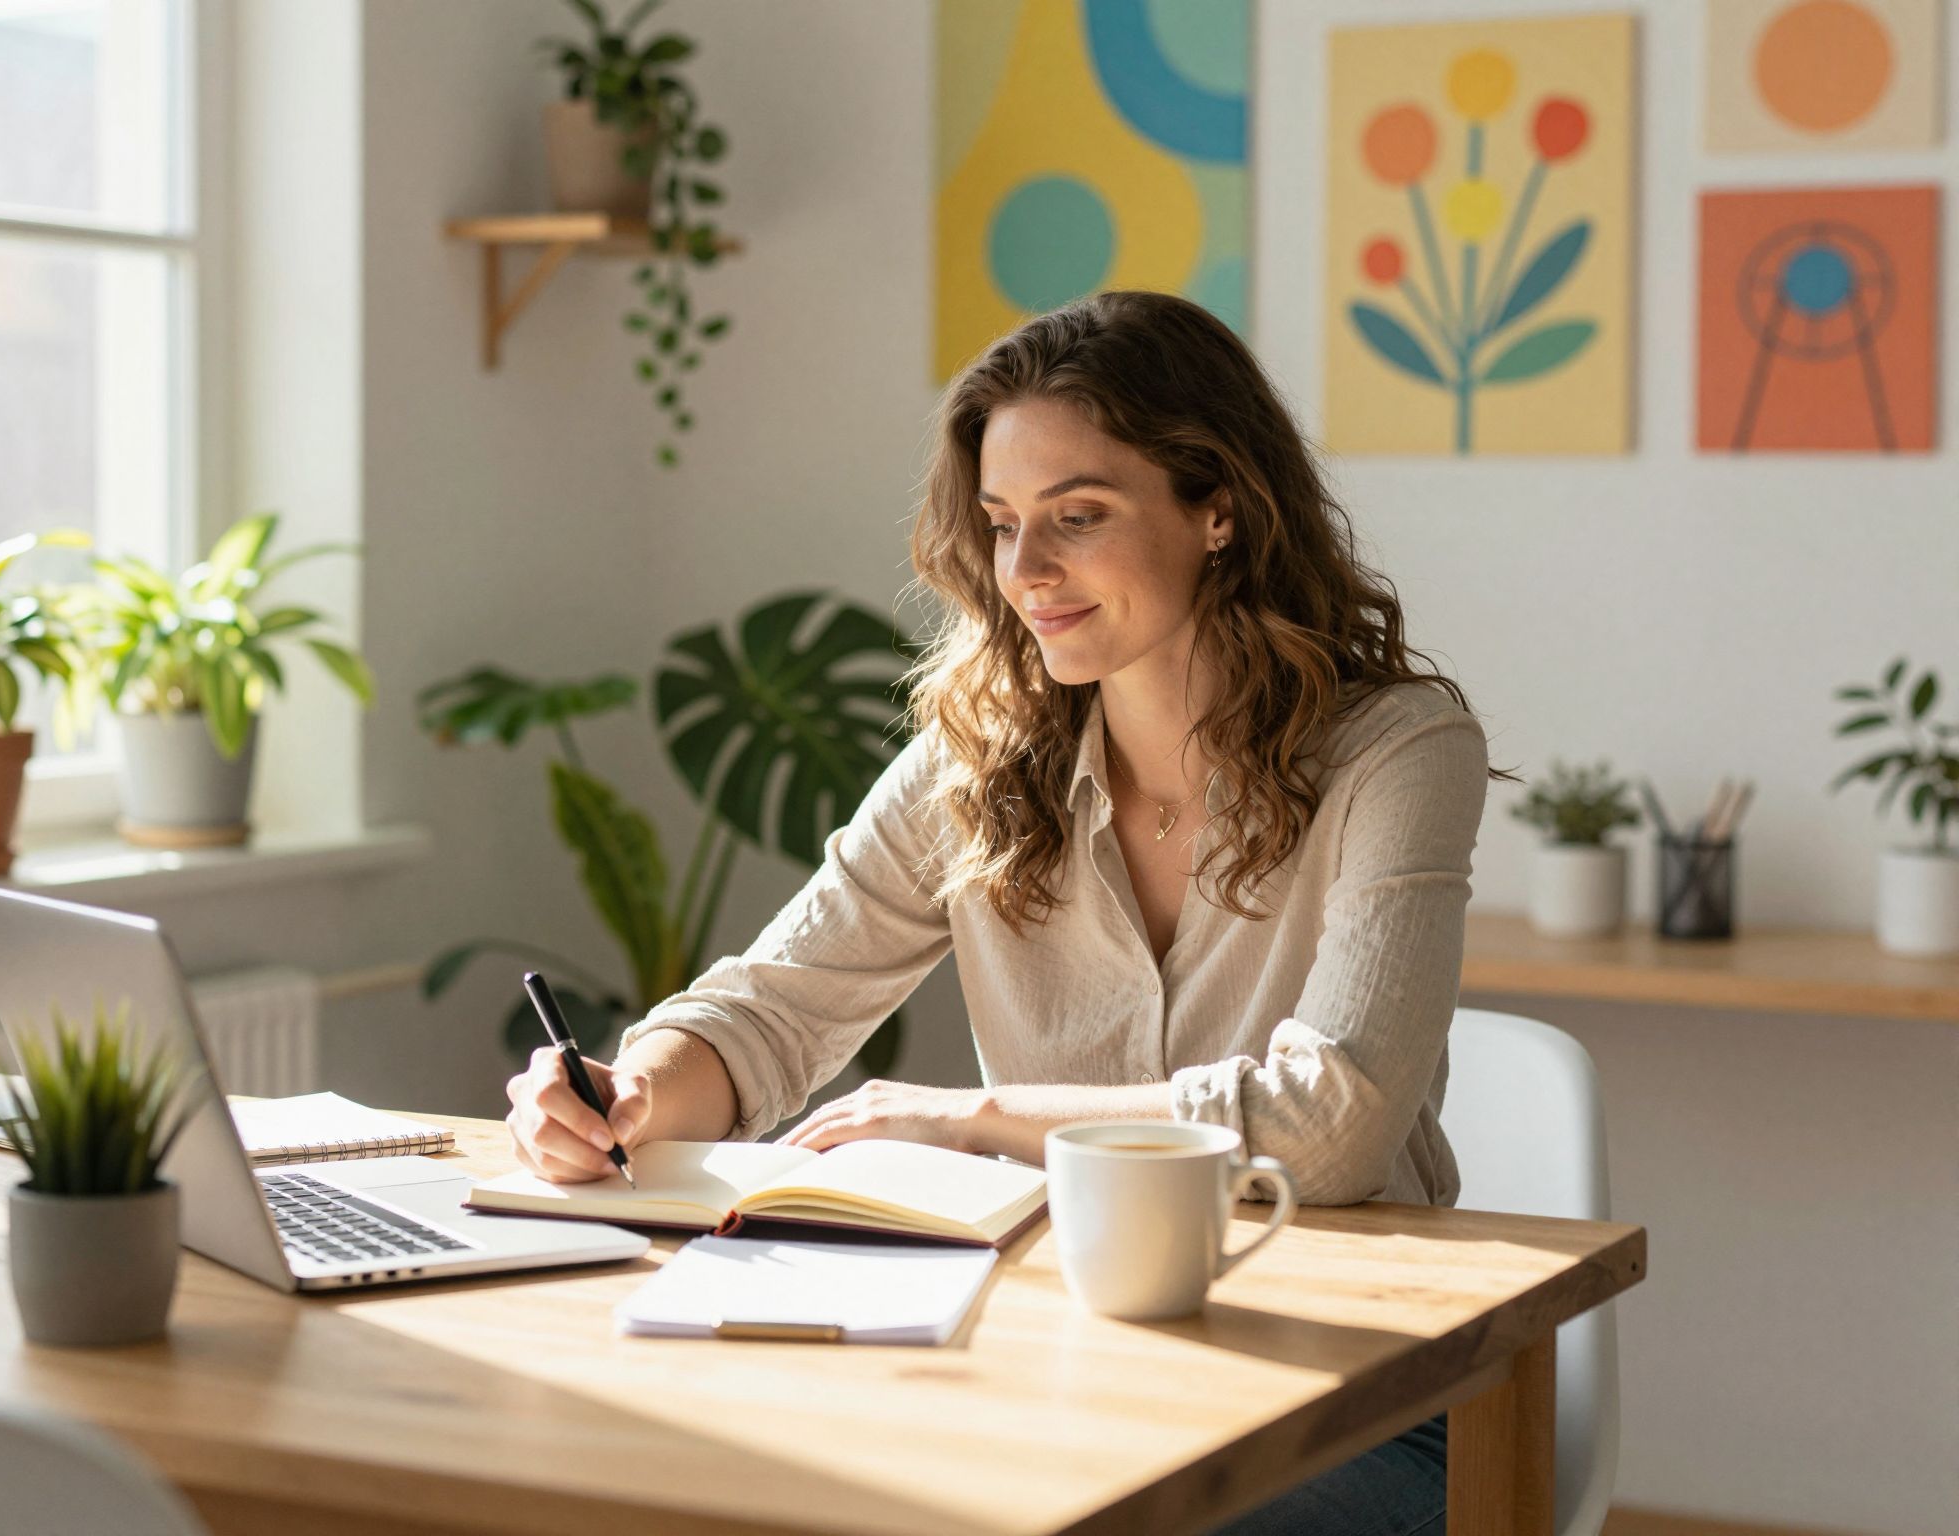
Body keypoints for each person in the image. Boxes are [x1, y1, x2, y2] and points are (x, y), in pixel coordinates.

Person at [506, 290, 1504, 1535]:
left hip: (1355, 1383)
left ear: (1218, 511)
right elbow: (774, 1004)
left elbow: (1334, 1121)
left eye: (1076, 518)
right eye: (999, 524)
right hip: (1055, 1360)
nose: (1024, 573)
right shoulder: (974, 755)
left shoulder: (1395, 751)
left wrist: (974, 1119)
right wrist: (640, 1086)